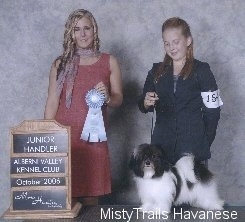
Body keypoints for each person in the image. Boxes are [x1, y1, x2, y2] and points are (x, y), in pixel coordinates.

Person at [44, 9, 123, 205]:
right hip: (65, 138)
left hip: (93, 139)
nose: (83, 34)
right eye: (77, 29)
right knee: (63, 197)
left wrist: (107, 97)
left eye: (87, 28)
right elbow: (52, 101)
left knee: (90, 199)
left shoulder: (109, 61)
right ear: (71, 33)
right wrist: (46, 136)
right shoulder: (59, 64)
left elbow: (118, 98)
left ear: (94, 30)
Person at [138, 17, 223, 165]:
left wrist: (204, 141)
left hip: (193, 146)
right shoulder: (156, 71)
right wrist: (145, 102)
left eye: (176, 42)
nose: (172, 47)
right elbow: (143, 106)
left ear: (188, 40)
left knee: (194, 189)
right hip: (161, 148)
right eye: (167, 43)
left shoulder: (202, 70)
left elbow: (213, 112)